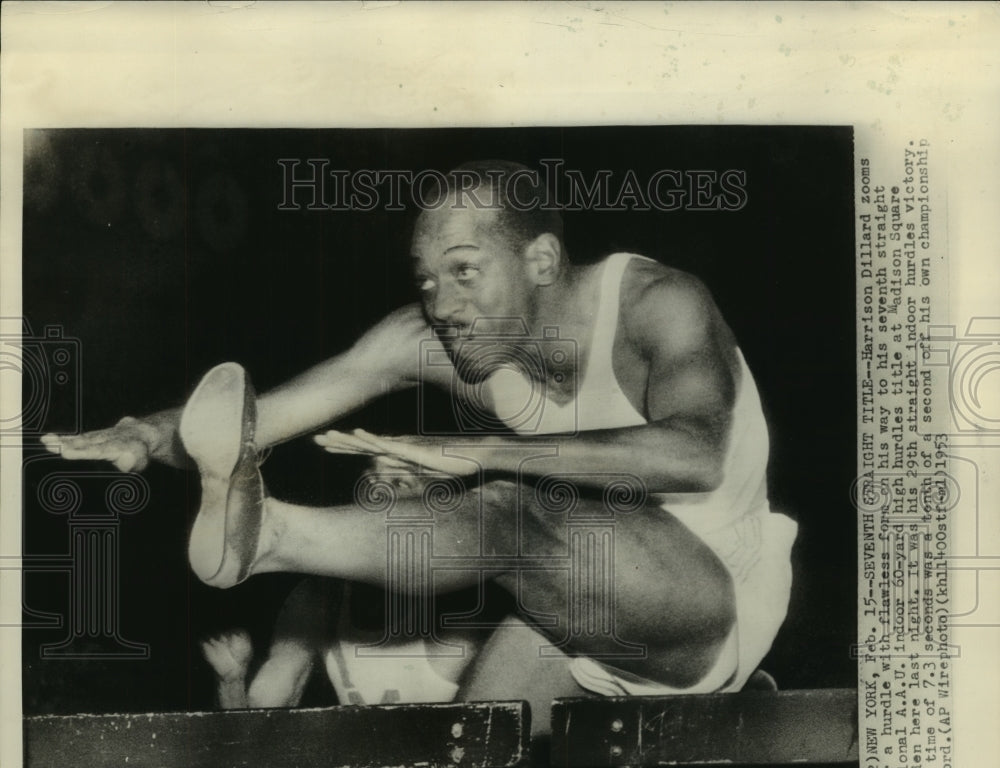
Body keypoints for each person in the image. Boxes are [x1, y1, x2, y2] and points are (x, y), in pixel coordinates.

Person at [41, 160, 797, 732]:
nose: (444, 305)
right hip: (573, 601)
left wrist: (489, 454)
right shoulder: (433, 339)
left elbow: (695, 453)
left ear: (540, 260)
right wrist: (149, 430)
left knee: (509, 506)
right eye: (428, 281)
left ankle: (281, 536)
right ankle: (257, 534)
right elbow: (251, 417)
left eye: (465, 272)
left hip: (713, 595)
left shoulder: (654, 303)